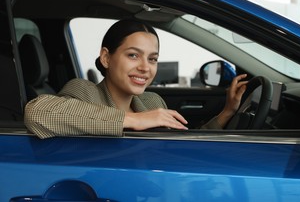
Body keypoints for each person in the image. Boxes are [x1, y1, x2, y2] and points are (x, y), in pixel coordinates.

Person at [24, 19, 248, 139]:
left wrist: (227, 111)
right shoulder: (85, 91)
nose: (144, 68)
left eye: (152, 59)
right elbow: (37, 112)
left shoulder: (152, 102)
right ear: (106, 58)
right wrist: (134, 120)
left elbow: (187, 145)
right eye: (133, 55)